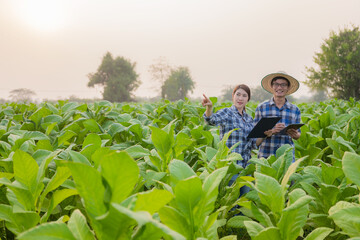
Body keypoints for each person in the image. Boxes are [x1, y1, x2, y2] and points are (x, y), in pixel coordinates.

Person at [202, 84, 257, 168]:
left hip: (246, 166)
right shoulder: (227, 113)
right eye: (238, 94)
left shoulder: (249, 119)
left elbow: (253, 144)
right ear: (233, 96)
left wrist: (265, 134)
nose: (240, 98)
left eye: (244, 96)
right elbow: (211, 120)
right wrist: (209, 108)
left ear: (248, 99)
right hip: (230, 166)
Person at [255, 72, 301, 159]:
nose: (279, 87)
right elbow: (255, 137)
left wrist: (294, 134)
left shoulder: (295, 110)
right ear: (272, 87)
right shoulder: (261, 108)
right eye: (276, 84)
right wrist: (271, 131)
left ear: (288, 88)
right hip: (266, 156)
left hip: (287, 158)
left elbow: (298, 135)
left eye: (283, 85)